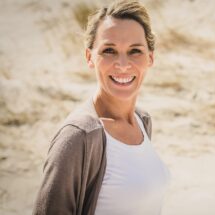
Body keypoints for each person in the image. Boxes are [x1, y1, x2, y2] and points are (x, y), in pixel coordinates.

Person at [32, 1, 170, 214]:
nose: (123, 64)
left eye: (135, 51)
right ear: (90, 57)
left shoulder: (142, 121)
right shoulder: (79, 136)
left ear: (150, 57)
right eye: (109, 50)